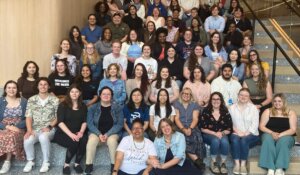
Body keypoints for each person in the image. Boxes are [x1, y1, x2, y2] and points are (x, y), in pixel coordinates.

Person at [23, 77, 59, 173]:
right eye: (41, 84)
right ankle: (30, 161)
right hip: (35, 128)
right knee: (27, 140)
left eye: (45, 84)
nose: (43, 86)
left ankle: (46, 162)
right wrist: (29, 130)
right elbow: (28, 116)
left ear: (49, 86)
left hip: (49, 128)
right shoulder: (31, 99)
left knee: (43, 137)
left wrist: (49, 127)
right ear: (37, 86)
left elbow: (58, 117)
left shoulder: (54, 100)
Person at [85, 86, 123, 174]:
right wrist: (99, 134)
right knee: (91, 140)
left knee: (112, 141)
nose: (106, 96)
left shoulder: (117, 108)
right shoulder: (93, 108)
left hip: (112, 133)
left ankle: (114, 166)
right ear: (100, 95)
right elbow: (90, 124)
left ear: (111, 96)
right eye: (104, 94)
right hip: (96, 132)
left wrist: (107, 134)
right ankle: (89, 165)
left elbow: (119, 124)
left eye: (108, 94)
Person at [53, 84, 88, 175]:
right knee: (74, 141)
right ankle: (66, 164)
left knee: (84, 139)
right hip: (63, 133)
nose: (74, 93)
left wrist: (81, 132)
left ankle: (77, 163)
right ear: (69, 93)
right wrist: (71, 135)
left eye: (76, 91)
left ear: (80, 93)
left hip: (78, 131)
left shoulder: (83, 106)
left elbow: (85, 121)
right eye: (72, 91)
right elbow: (60, 122)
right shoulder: (63, 105)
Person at [259, 93, 297, 175]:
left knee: (283, 141)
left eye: (279, 101)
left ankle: (280, 168)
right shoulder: (267, 111)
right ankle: (270, 168)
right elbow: (261, 126)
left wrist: (280, 135)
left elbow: (293, 129)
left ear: (284, 102)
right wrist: (272, 133)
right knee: (267, 140)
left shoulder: (291, 112)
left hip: (287, 135)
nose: (277, 103)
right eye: (275, 101)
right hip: (269, 133)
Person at [173, 88, 206, 170]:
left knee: (197, 138)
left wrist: (190, 128)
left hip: (192, 125)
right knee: (182, 140)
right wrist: (183, 129)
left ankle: (198, 161)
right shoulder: (176, 103)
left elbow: (195, 119)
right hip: (179, 126)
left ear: (191, 96)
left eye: (188, 94)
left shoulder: (195, 104)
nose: (186, 95)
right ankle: (196, 160)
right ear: (181, 94)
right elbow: (176, 118)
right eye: (184, 93)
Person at [200, 92, 233, 175]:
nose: (216, 101)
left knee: (225, 141)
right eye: (213, 99)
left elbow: (229, 129)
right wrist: (215, 133)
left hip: (222, 134)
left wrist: (221, 133)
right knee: (215, 141)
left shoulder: (225, 112)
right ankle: (213, 162)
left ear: (221, 100)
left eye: (218, 99)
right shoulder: (206, 111)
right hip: (208, 134)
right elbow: (203, 128)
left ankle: (223, 163)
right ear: (211, 101)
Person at [229, 88, 260, 175]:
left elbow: (255, 124)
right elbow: (229, 123)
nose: (243, 97)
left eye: (246, 96)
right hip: (236, 132)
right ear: (238, 96)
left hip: (252, 134)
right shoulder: (231, 108)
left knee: (244, 140)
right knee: (235, 139)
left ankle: (243, 164)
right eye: (241, 95)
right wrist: (237, 131)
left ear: (249, 97)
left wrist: (245, 133)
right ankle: (237, 164)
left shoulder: (253, 108)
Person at [0, 81, 27, 174]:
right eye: (9, 87)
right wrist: (6, 126)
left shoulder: (23, 101)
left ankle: (7, 161)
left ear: (17, 89)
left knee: (10, 136)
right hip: (2, 126)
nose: (11, 90)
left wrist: (16, 126)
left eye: (14, 87)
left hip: (18, 127)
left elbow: (28, 118)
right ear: (5, 89)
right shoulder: (0, 101)